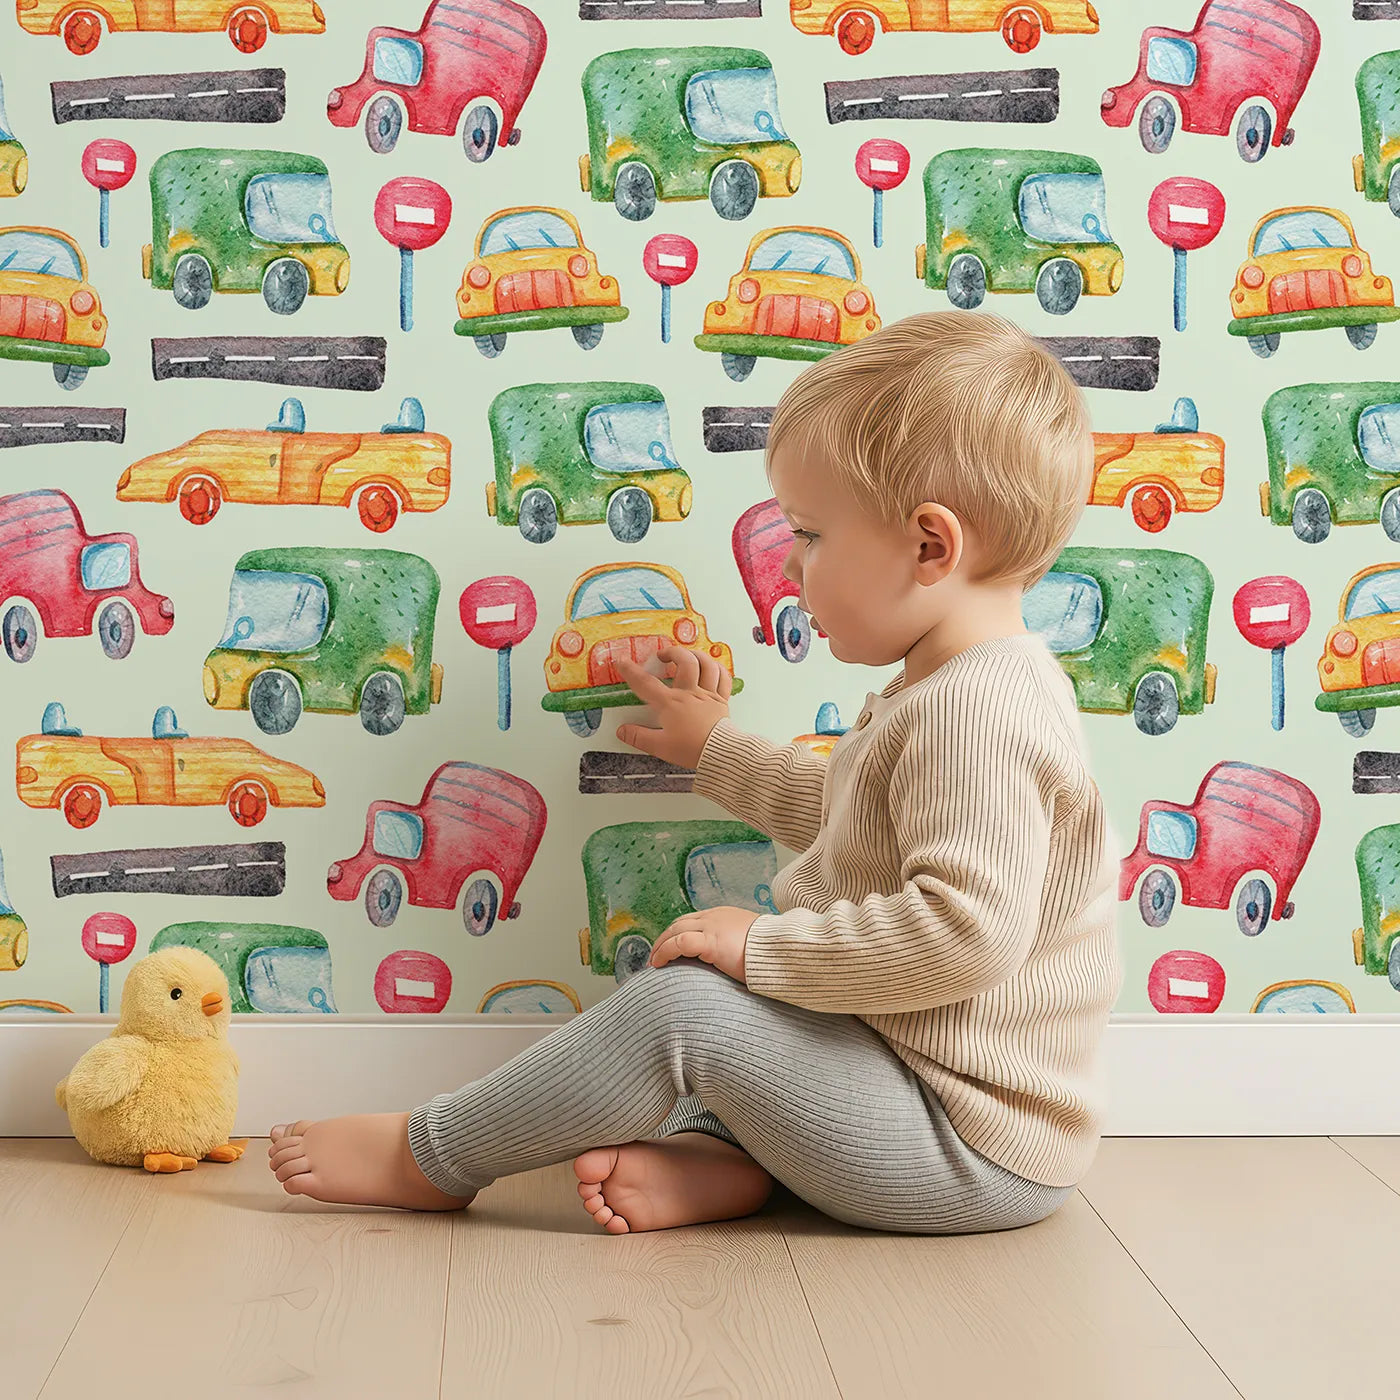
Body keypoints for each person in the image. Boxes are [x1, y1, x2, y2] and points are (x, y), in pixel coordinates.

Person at [267, 310, 1123, 1235]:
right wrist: (716, 749)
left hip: (963, 1144)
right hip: (895, 1088)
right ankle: (727, 1161)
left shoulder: (975, 713)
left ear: (929, 547)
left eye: (810, 535)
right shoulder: (948, 686)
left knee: (687, 1011)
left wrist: (760, 949)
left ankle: (433, 1156)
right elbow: (853, 827)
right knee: (725, 1001)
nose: (791, 567)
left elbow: (965, 937)